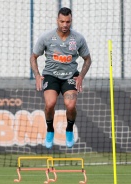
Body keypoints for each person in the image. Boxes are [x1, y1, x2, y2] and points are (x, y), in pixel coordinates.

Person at [30, 7, 92, 149]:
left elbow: (88, 59)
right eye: (62, 21)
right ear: (57, 20)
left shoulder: (78, 39)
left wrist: (81, 76)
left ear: (71, 21)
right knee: (50, 103)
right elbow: (33, 57)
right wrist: (37, 76)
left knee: (70, 105)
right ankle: (50, 130)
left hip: (70, 76)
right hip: (51, 75)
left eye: (68, 22)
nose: (65, 25)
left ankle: (69, 130)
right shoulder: (46, 37)